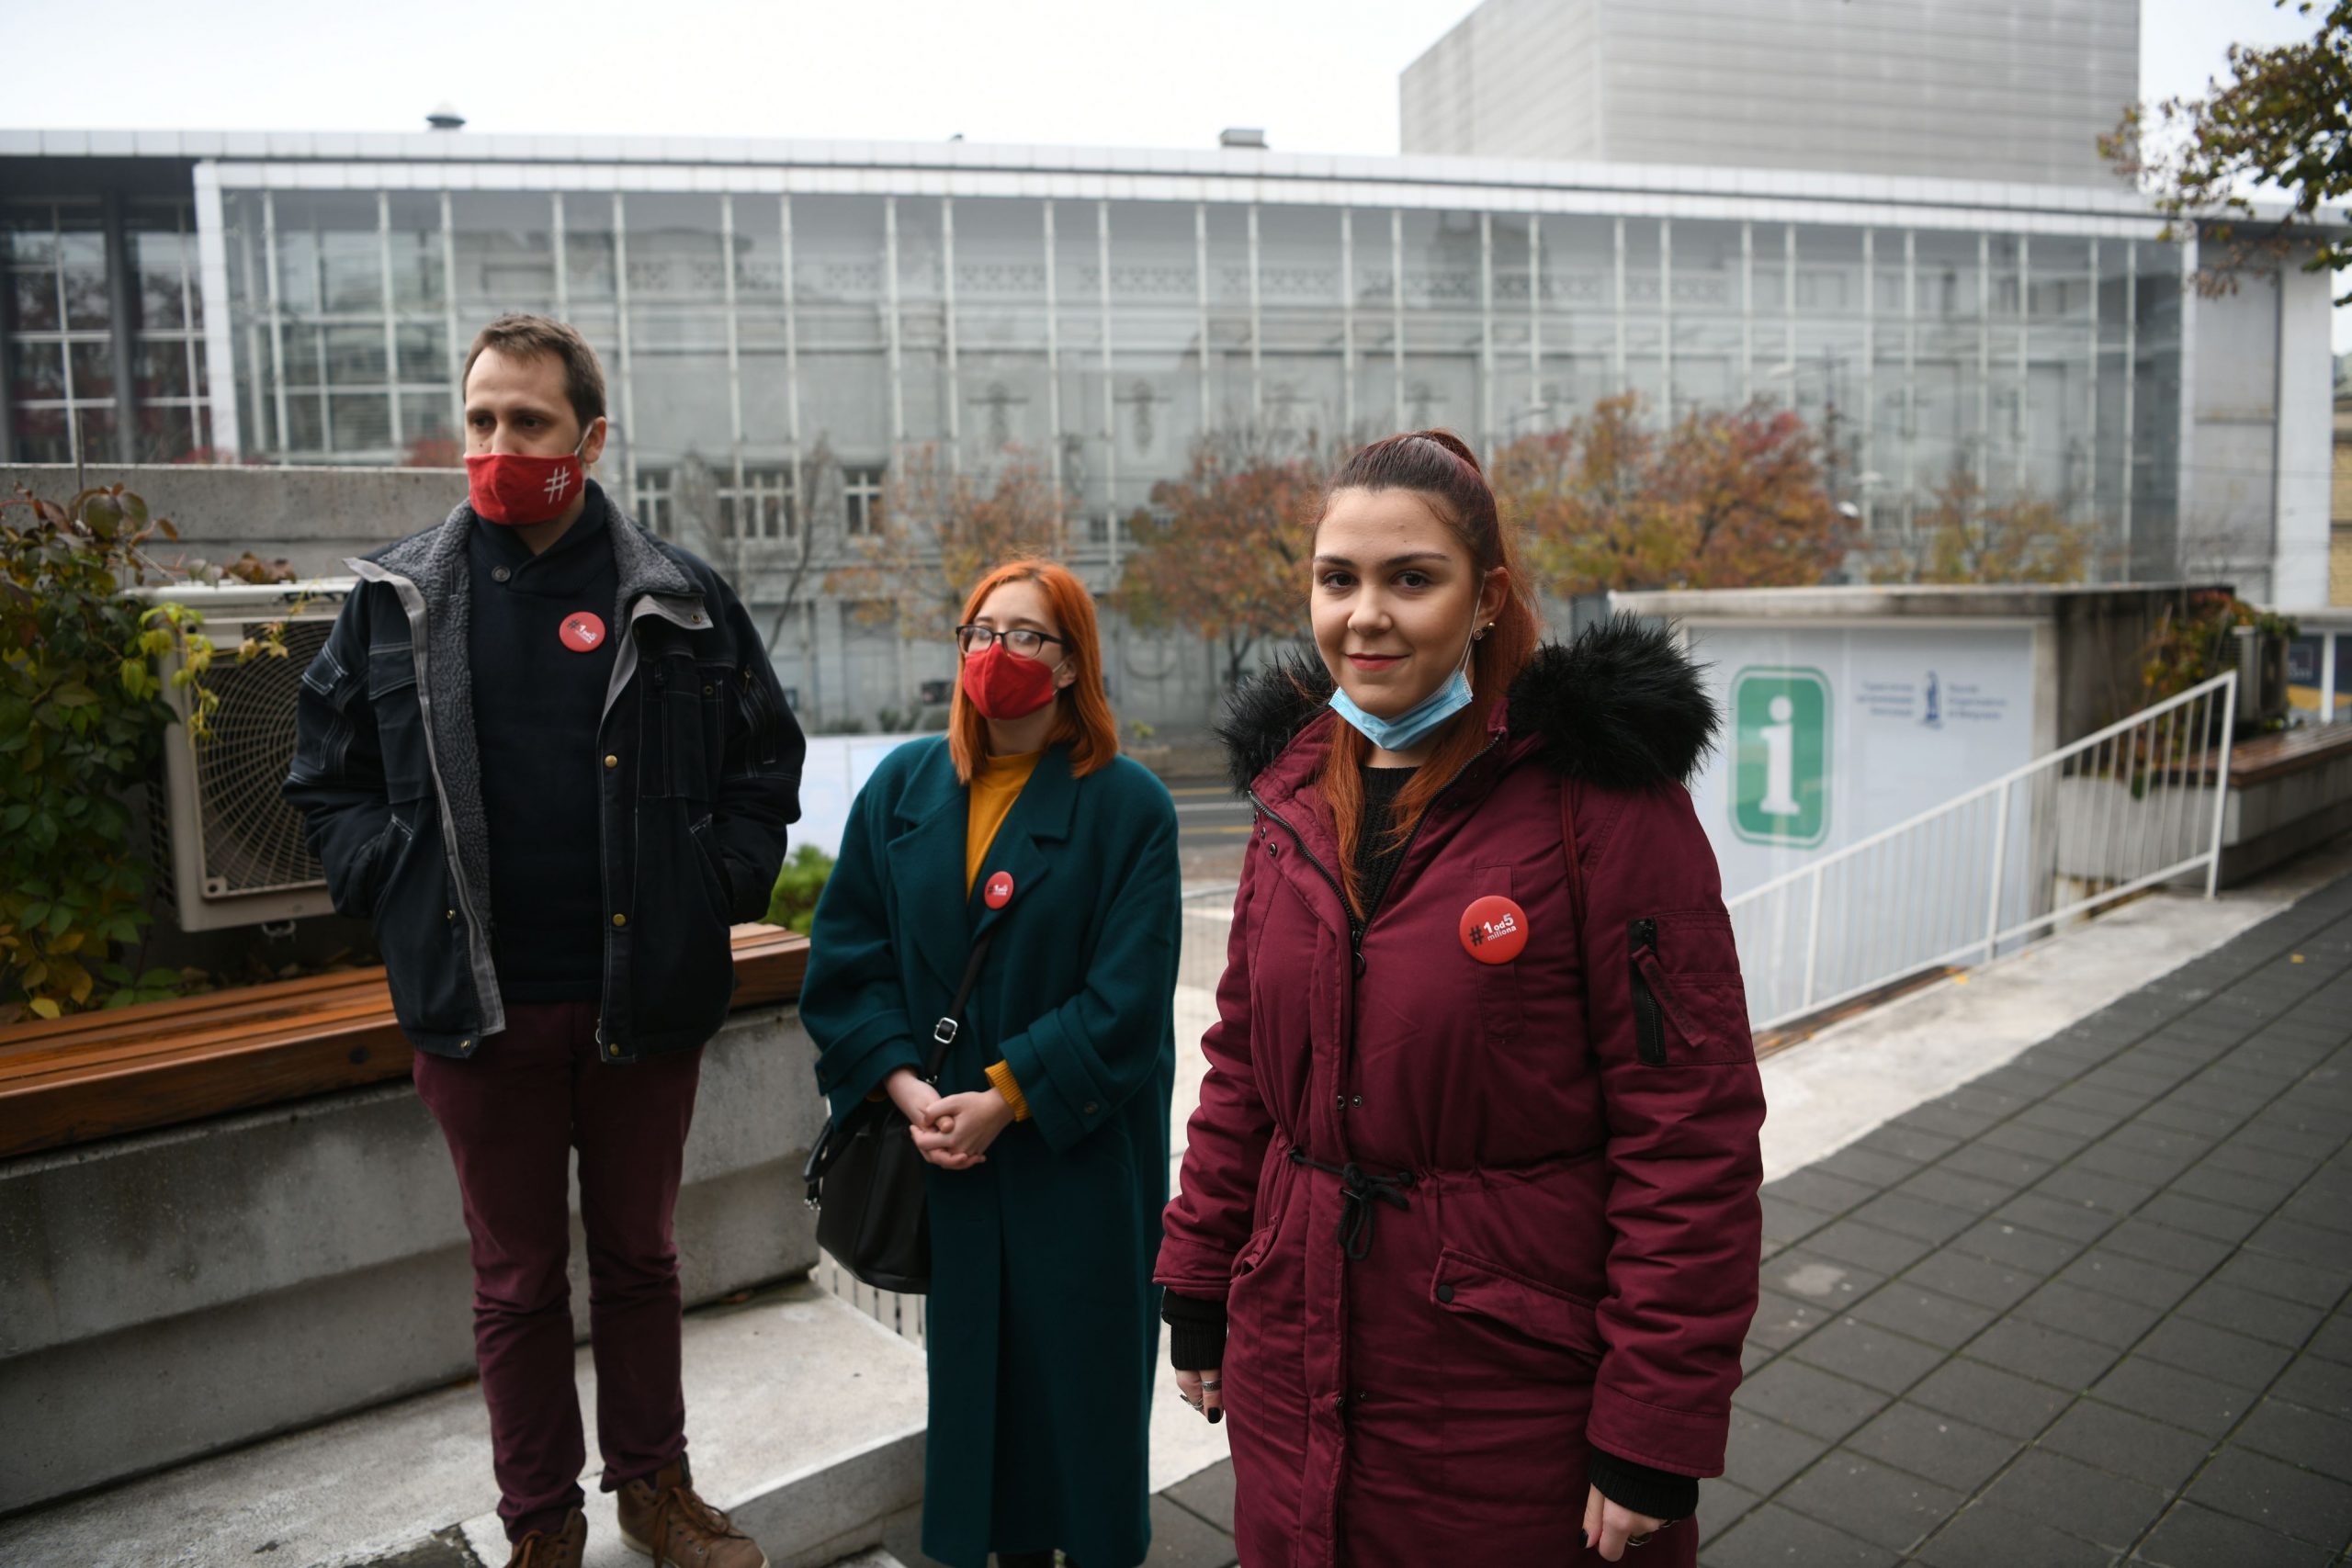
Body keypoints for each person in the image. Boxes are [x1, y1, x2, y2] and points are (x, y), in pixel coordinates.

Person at [1156, 431, 1764, 1566]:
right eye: (1337, 580)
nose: (1365, 616)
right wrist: (1196, 1275)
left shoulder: (1600, 804)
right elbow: (1244, 1068)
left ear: (1485, 598)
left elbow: (1689, 1128)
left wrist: (1654, 1421)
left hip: (1507, 1395)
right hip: (1298, 1354)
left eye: (1410, 579)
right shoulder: (1295, 795)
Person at [285, 314, 803, 1568]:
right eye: (480, 419)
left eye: (528, 421)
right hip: (478, 1009)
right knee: (515, 1283)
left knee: (640, 1257)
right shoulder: (395, 600)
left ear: (591, 436)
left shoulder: (675, 596)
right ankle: (542, 1519)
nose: (499, 444)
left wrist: (710, 883)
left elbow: (763, 761)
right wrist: (395, 882)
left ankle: (654, 1487)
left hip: (642, 999)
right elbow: (324, 779)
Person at [801, 558, 1182, 1568]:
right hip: (945, 1152)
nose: (994, 655)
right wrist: (908, 1089)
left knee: (1084, 1390)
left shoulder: (1128, 806)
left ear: (1069, 665)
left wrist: (1005, 1098)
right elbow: (847, 963)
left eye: (1024, 636)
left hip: (1077, 1153)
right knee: (979, 1390)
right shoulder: (902, 788)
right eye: (979, 632)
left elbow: (1129, 1004)